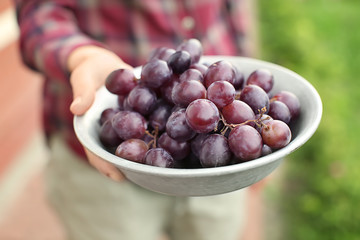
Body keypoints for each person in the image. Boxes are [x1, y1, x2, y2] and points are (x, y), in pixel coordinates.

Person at [15, 1, 259, 240]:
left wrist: (253, 145)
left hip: (220, 170)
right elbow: (39, 12)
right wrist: (81, 56)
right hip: (105, 169)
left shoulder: (229, 115)